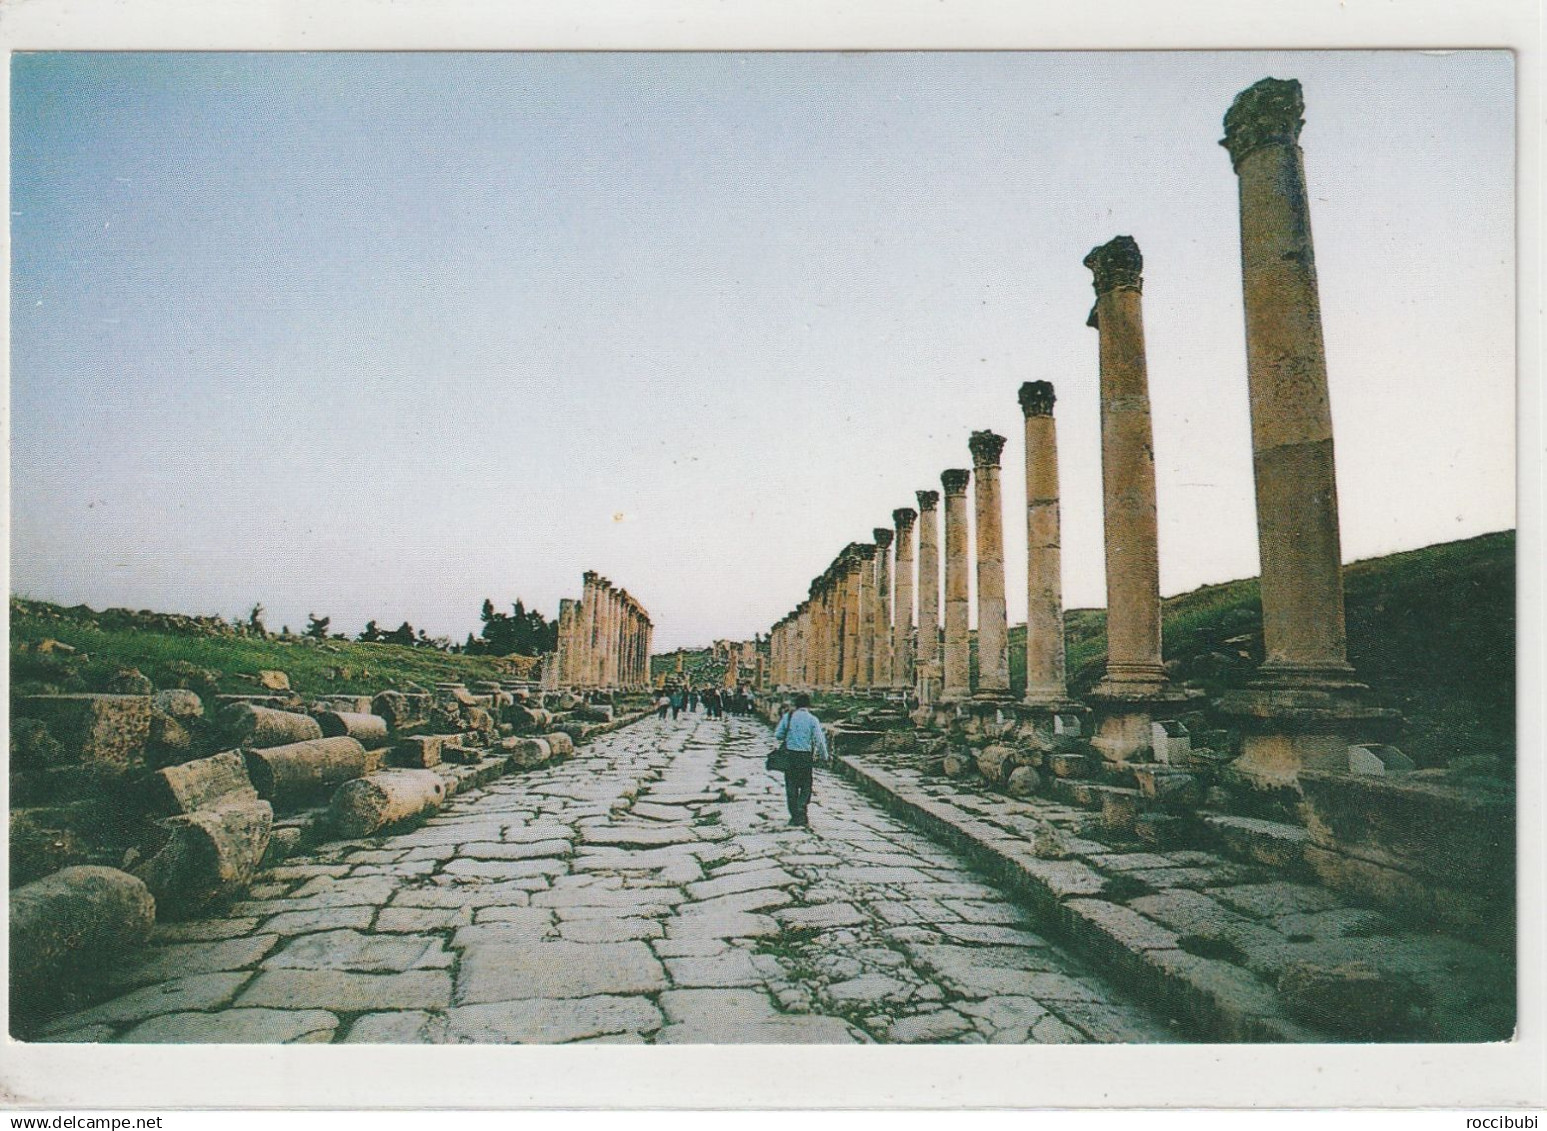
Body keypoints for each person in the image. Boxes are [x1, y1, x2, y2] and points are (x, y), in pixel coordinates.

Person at [771, 692, 827, 827]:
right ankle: (802, 807)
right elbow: (819, 740)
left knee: (791, 785)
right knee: (806, 785)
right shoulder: (812, 719)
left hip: (790, 755)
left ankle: (795, 815)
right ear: (808, 705)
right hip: (805, 756)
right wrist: (824, 756)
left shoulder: (788, 717)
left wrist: (790, 735)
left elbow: (778, 735)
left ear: (796, 704)